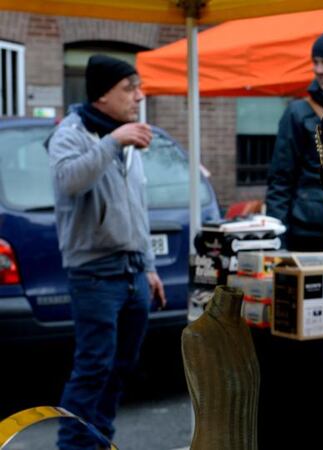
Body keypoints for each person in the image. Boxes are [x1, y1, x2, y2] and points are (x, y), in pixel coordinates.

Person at [47, 54, 165, 450]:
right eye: (129, 89)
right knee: (93, 369)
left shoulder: (124, 137)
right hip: (94, 274)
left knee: (121, 370)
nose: (139, 96)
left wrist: (148, 266)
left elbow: (138, 210)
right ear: (101, 95)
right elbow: (68, 181)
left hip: (133, 273)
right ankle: (73, 446)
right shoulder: (73, 131)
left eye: (138, 87)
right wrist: (113, 142)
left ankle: (101, 442)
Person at [265, 23, 323, 252]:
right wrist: (278, 242)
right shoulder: (298, 112)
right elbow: (280, 181)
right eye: (315, 62)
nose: (318, 69)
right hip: (307, 235)